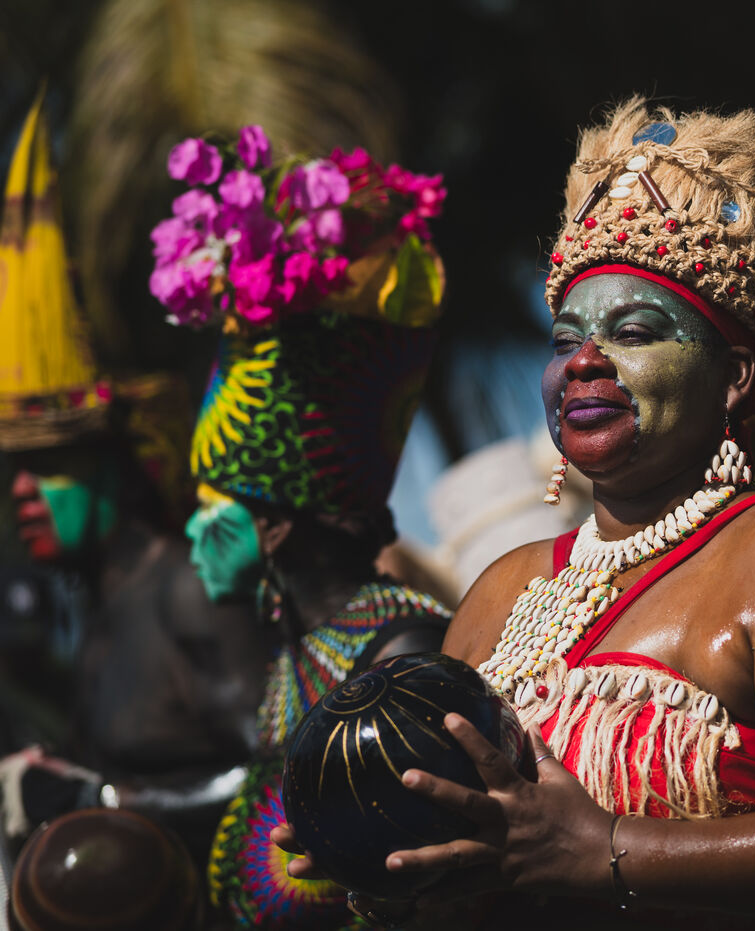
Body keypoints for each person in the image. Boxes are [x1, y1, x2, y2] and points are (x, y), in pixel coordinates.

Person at [283, 98, 755, 928]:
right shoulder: (502, 592)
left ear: (734, 376)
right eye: (564, 340)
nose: (585, 360)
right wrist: (389, 853)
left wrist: (606, 848)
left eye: (635, 331)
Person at [145, 127, 455, 928]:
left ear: (275, 526)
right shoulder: (297, 656)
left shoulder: (403, 655)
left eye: (212, 506)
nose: (191, 535)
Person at [0, 94, 274, 872]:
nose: (22, 489)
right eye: (14, 469)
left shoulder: (189, 584)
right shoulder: (99, 610)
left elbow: (283, 779)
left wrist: (100, 799)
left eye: (52, 463)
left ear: (115, 461)